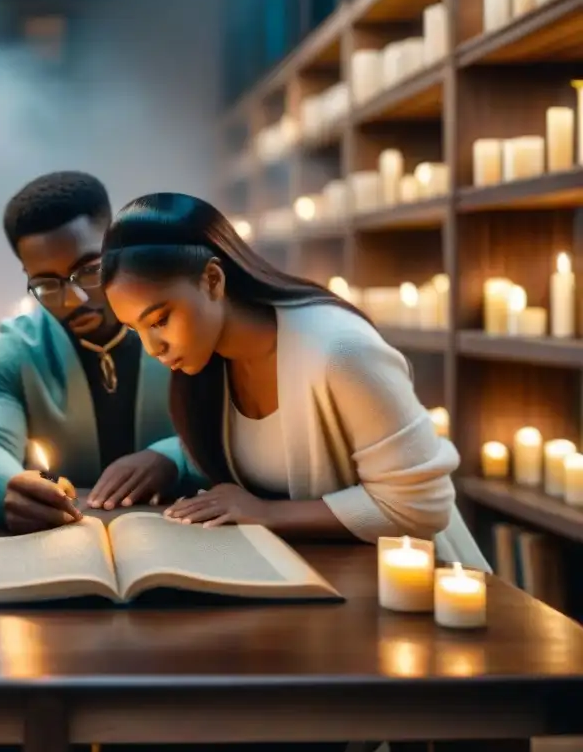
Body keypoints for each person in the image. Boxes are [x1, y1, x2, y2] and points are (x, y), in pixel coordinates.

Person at [100, 192, 488, 570]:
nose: (153, 347)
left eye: (160, 320)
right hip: (325, 580)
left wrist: (266, 513)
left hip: (419, 585)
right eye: (136, 330)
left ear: (213, 280)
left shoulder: (340, 352)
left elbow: (419, 507)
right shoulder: (212, 362)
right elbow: (264, 451)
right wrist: (168, 458)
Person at [0, 172, 198, 534]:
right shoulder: (13, 351)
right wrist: (5, 486)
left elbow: (240, 434)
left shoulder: (183, 323)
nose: (74, 299)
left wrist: (174, 458)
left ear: (116, 244)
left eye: (89, 270)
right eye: (46, 284)